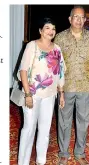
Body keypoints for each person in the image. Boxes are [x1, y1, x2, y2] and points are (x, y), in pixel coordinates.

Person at [54, 6, 89, 165]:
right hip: (65, 86)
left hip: (85, 86)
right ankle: (63, 153)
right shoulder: (60, 38)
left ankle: (80, 153)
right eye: (75, 17)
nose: (78, 20)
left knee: (83, 121)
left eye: (81, 17)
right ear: (70, 19)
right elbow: (54, 64)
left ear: (85, 20)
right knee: (64, 121)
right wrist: (58, 88)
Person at [18, 18, 65, 165]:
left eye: (53, 28)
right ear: (40, 31)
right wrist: (27, 94)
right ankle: (23, 162)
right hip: (32, 93)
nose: (51, 31)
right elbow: (23, 70)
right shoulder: (32, 46)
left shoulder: (57, 49)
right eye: (47, 28)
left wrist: (61, 93)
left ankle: (41, 160)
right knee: (29, 129)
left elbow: (61, 72)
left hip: (50, 94)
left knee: (45, 130)